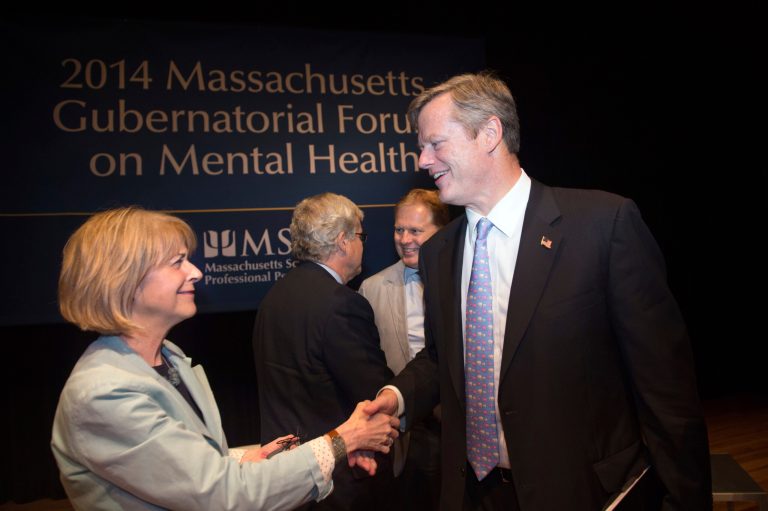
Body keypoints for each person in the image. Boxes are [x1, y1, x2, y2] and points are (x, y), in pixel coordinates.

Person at [362, 72, 712, 510]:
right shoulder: (439, 252)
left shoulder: (603, 226)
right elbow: (441, 357)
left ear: (489, 133)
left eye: (435, 144)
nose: (423, 160)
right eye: (421, 147)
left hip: (581, 493)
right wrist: (394, 400)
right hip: (471, 493)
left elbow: (666, 391)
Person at [51, 206, 399, 511]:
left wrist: (244, 459)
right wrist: (342, 440)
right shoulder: (104, 393)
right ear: (124, 280)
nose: (195, 272)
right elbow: (224, 495)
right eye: (177, 262)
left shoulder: (168, 357)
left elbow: (187, 466)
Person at [253, 193, 396, 510]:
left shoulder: (274, 297)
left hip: (287, 472)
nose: (363, 244)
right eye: (360, 235)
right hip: (341, 479)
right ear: (343, 241)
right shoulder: (342, 304)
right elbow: (374, 396)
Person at [358, 188, 449, 510]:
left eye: (416, 230)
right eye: (399, 229)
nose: (405, 238)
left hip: (463, 424)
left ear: (442, 232)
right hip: (409, 431)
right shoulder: (372, 288)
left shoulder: (468, 280)